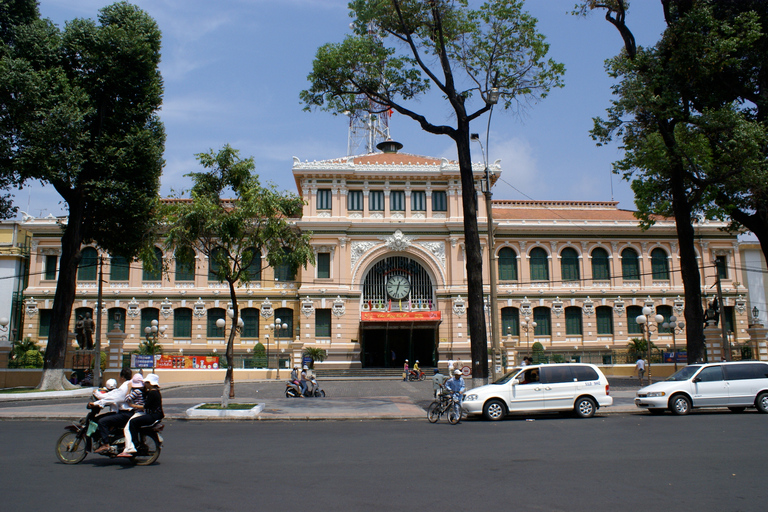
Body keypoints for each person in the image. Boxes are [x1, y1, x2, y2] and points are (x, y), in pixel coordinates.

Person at [91, 368, 135, 453]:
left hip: (125, 413)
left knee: (102, 421)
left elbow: (113, 398)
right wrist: (97, 394)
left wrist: (96, 403)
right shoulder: (125, 385)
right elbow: (110, 395)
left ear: (122, 377)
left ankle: (106, 444)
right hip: (124, 412)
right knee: (104, 418)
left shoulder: (124, 387)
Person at [119, 373, 163, 457]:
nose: (145, 384)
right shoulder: (155, 392)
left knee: (133, 422)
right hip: (155, 415)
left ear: (150, 383)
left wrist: (133, 405)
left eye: (146, 382)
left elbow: (145, 406)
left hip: (153, 416)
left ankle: (135, 444)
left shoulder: (152, 393)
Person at [116, 373, 145, 456]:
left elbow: (127, 399)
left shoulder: (136, 391)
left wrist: (128, 389)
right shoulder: (143, 391)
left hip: (139, 413)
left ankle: (129, 448)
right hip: (142, 412)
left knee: (126, 429)